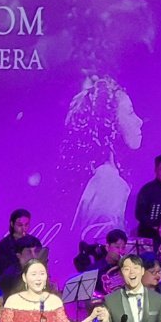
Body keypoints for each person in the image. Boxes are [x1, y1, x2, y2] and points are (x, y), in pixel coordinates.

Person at [62, 74, 143, 236]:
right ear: (111, 125)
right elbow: (104, 244)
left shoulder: (105, 179)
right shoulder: (109, 185)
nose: (139, 121)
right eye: (130, 112)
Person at [0, 209, 43, 296]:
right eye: (20, 225)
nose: (24, 228)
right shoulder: (4, 245)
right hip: (10, 285)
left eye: (26, 225)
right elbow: (0, 273)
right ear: (12, 224)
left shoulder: (35, 242)